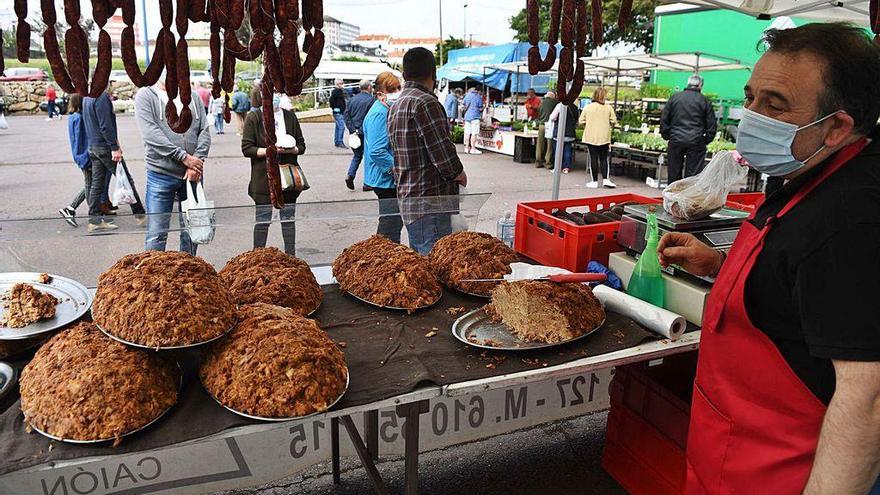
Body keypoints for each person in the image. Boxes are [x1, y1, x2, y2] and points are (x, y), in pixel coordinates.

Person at [656, 24, 880, 494]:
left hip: (779, 470)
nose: (750, 116)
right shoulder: (804, 170)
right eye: (751, 97)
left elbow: (869, 397)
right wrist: (719, 266)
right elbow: (800, 291)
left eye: (774, 105)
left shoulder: (851, 217)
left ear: (837, 127)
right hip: (730, 446)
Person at [388, 47, 467, 255]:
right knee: (436, 267)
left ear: (404, 74)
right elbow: (445, 160)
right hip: (431, 204)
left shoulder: (397, 104)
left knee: (422, 264)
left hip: (410, 201)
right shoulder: (426, 103)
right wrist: (459, 173)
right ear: (434, 73)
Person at [134, 74, 211, 255]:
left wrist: (196, 163)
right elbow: (151, 134)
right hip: (161, 174)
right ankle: (152, 275)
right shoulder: (146, 96)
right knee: (156, 234)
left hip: (193, 174)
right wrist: (183, 157)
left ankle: (189, 273)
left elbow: (204, 130)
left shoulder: (192, 96)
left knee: (192, 232)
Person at [241, 90, 306, 255]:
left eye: (278, 92)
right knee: (263, 221)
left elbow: (302, 146)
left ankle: (291, 255)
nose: (275, 96)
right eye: (271, 92)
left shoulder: (290, 117)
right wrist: (270, 151)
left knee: (288, 220)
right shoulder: (254, 117)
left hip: (288, 178)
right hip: (263, 179)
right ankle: (257, 257)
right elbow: (247, 149)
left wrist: (292, 150)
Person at [83, 90, 146, 232]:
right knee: (126, 179)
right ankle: (140, 214)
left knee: (96, 184)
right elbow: (106, 125)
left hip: (93, 145)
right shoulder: (101, 96)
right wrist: (114, 147)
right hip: (105, 147)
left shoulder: (87, 96)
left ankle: (94, 219)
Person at [363, 71, 404, 243]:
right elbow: (377, 151)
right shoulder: (380, 113)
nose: (397, 93)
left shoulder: (384, 109)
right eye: (393, 89)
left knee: (392, 221)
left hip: (385, 177)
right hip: (385, 179)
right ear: (380, 93)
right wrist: (397, 170)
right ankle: (385, 257)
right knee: (391, 223)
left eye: (399, 88)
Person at [660, 74, 717, 183]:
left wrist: (667, 135)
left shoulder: (675, 98)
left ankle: (672, 197)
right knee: (693, 175)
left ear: (688, 83)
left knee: (674, 172)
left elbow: (664, 119)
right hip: (696, 140)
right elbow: (711, 124)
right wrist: (706, 140)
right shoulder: (704, 100)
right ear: (700, 85)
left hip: (676, 139)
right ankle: (688, 198)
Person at [58, 94, 90, 228]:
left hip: (79, 155)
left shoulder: (71, 117)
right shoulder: (80, 118)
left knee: (91, 184)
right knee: (91, 185)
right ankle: (71, 208)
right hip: (85, 156)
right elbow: (83, 139)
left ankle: (72, 208)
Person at [578, 87, 618, 188]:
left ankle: (594, 181)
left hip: (590, 136)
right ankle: (605, 179)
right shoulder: (608, 108)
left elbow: (581, 121)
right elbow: (614, 121)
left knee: (593, 158)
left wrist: (587, 125)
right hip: (604, 137)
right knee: (604, 158)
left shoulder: (588, 107)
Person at [343, 79, 376, 191]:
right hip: (366, 133)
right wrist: (361, 130)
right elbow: (370, 118)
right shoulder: (371, 100)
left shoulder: (352, 100)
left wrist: (353, 130)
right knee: (368, 157)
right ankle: (367, 182)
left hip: (354, 134)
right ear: (369, 88)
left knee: (357, 156)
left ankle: (350, 175)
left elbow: (346, 116)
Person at [548, 100, 579, 173]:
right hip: (570, 132)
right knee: (567, 150)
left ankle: (557, 167)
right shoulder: (575, 107)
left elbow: (552, 117)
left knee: (558, 151)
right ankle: (566, 167)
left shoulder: (559, 106)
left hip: (559, 132)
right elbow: (577, 119)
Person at [536, 91, 558, 169]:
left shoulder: (541, 102)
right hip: (550, 125)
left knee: (540, 144)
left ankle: (538, 162)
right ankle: (548, 162)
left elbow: (538, 113)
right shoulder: (556, 103)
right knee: (549, 145)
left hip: (541, 125)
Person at [461, 87, 484, 154]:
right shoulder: (478, 96)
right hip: (475, 117)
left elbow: (463, 105)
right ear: (478, 90)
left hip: (467, 117)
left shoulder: (467, 95)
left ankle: (466, 148)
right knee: (474, 133)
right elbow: (480, 108)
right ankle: (473, 148)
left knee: (467, 133)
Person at [330, 78, 347, 148]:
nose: (343, 85)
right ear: (338, 84)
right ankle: (340, 142)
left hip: (339, 111)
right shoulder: (336, 91)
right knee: (341, 127)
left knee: (338, 127)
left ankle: (337, 141)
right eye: (342, 83)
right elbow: (331, 100)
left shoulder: (339, 91)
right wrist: (334, 107)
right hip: (338, 111)